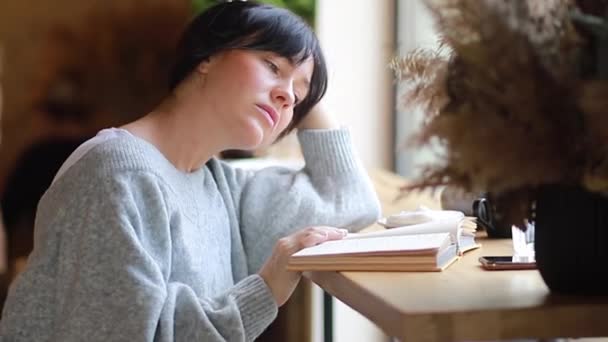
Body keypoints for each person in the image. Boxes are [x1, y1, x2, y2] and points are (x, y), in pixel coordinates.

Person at [0, 1, 381, 341]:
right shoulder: (115, 176)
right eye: (271, 65)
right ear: (208, 56)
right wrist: (264, 289)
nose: (287, 98)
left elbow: (349, 199)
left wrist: (305, 76)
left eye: (297, 99)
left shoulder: (219, 186)